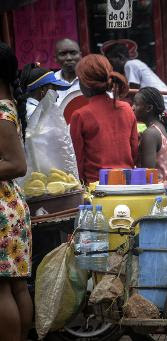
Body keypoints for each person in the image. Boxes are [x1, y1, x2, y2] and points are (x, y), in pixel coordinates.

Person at [104, 42, 167, 152]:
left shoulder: (130, 65)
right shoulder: (135, 65)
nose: (111, 67)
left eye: (111, 62)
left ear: (121, 57)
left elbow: (133, 93)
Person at [0, 42, 33, 341]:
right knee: (17, 285)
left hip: (2, 207)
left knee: (2, 289)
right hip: (10, 204)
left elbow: (16, 164)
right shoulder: (8, 103)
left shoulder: (0, 111)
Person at [70, 54, 138, 184]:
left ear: (85, 83)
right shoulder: (127, 109)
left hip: (96, 187)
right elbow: (134, 151)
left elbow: (78, 161)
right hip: (127, 183)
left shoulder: (80, 115)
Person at [133, 87, 167, 184]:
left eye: (136, 104)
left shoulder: (151, 134)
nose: (132, 107)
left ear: (148, 108)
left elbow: (147, 176)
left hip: (159, 195)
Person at [54, 38, 82, 105]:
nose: (69, 58)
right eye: (63, 54)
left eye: (73, 53)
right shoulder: (50, 82)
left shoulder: (90, 80)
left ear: (80, 55)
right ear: (55, 58)